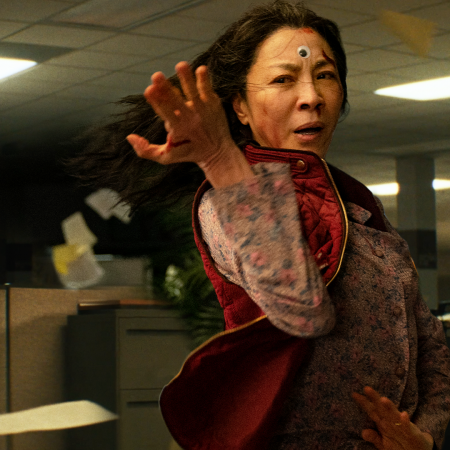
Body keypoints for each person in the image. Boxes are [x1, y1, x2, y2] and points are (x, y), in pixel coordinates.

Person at [73, 1, 450, 449]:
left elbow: (429, 339)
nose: (311, 96)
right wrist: (220, 158)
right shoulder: (226, 202)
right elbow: (303, 311)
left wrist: (424, 436)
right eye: (283, 79)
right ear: (241, 107)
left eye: (325, 75)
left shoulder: (359, 204)